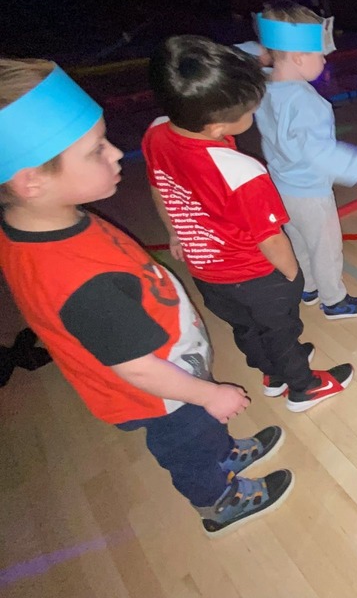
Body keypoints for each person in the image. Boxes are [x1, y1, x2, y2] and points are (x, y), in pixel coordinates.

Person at [0, 57, 291, 535]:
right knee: (187, 445)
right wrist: (207, 393)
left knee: (201, 428)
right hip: (157, 396)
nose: (116, 154)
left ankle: (223, 451)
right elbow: (137, 369)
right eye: (96, 151)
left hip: (170, 370)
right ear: (30, 180)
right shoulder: (75, 280)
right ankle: (218, 500)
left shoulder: (50, 224)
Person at [142, 35, 353, 411]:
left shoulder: (158, 133)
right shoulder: (242, 171)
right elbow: (270, 238)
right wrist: (291, 276)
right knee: (281, 328)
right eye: (249, 111)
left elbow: (160, 188)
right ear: (218, 125)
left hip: (205, 269)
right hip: (256, 274)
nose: (254, 116)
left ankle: (271, 374)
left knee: (246, 328)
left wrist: (175, 231)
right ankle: (303, 386)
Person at [252, 1, 357, 319]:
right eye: (320, 55)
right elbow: (321, 152)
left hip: (281, 187)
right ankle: (334, 300)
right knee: (325, 246)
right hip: (310, 191)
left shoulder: (264, 87)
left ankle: (308, 287)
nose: (325, 60)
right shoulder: (307, 102)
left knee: (299, 238)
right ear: (299, 57)